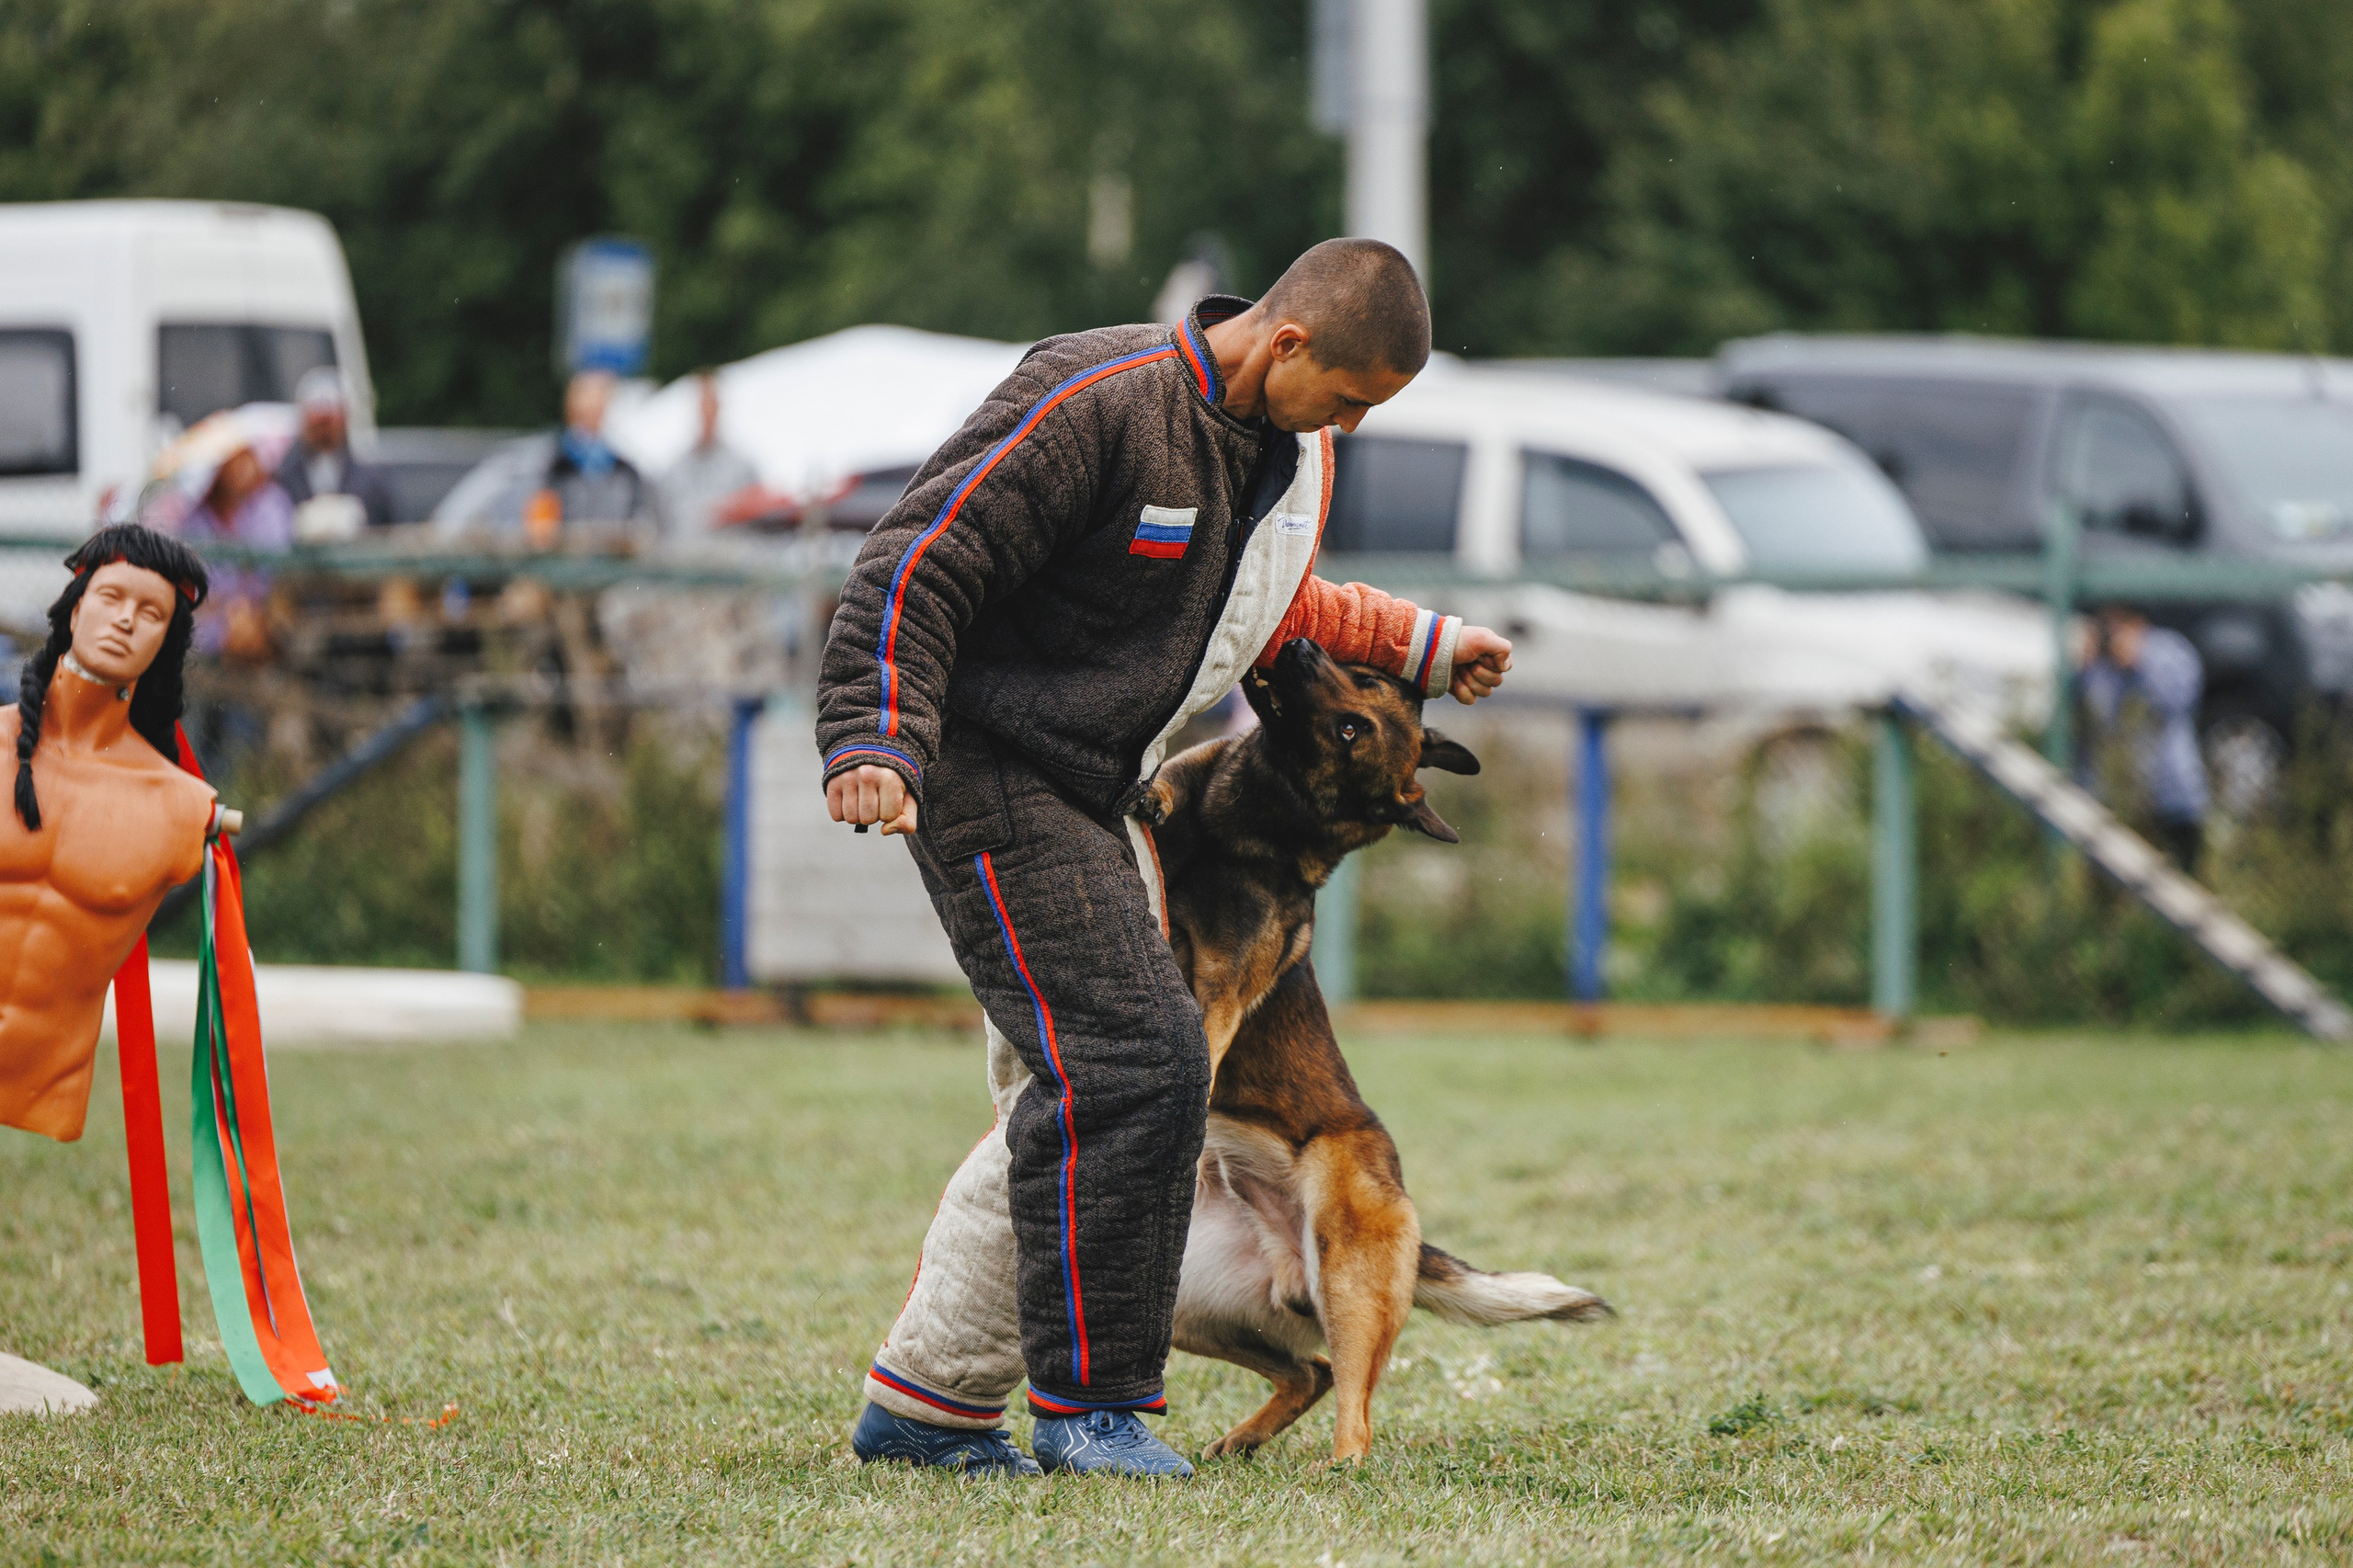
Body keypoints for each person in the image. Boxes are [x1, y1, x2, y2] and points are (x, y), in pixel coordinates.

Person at [815, 239, 1513, 1478]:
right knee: (1136, 1056)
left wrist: (1420, 642)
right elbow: (915, 561)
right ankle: (1091, 1408)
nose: (1349, 424)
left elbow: (1267, 604)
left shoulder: (1290, 452)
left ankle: (929, 1406)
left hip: (1094, 787)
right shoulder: (1098, 400)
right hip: (985, 768)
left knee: (1082, 1085)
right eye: (1349, 397)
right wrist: (874, 734)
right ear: (1287, 343)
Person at [2075, 603, 2211, 869]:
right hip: (2121, 801)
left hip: (2172, 796)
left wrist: (2139, 661)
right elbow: (2097, 720)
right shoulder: (2104, 667)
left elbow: (2178, 699)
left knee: (2182, 884)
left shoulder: (2167, 649)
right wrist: (2084, 668)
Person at [529, 369, 657, 540]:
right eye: (584, 414)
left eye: (596, 411)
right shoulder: (550, 467)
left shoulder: (626, 472)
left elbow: (643, 520)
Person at [275, 368, 395, 528]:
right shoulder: (281, 477)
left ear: (346, 418)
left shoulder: (372, 480)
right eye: (317, 422)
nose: (324, 429)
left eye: (329, 421)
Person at [656, 370, 758, 538]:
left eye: (712, 404)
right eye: (703, 405)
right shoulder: (673, 471)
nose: (707, 412)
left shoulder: (743, 467)